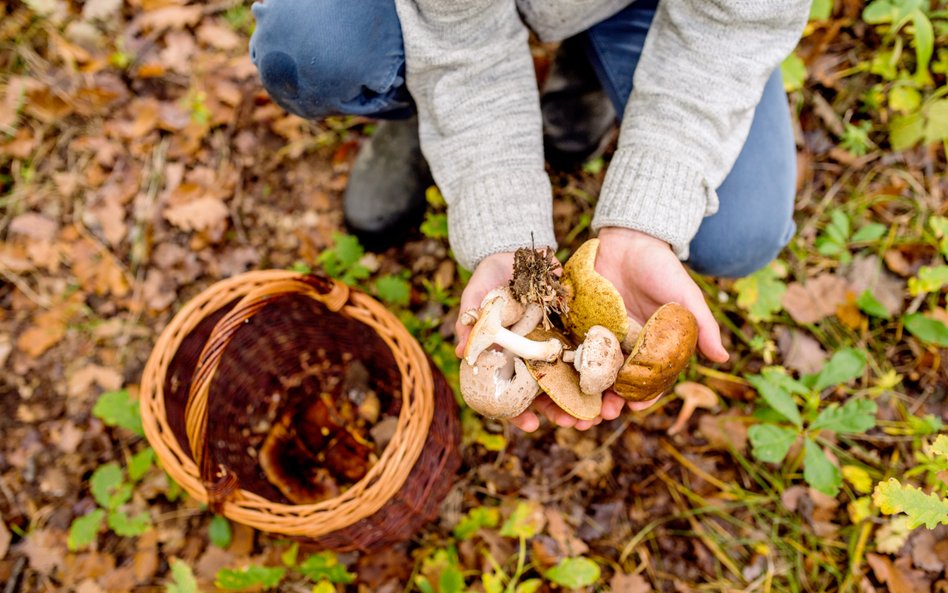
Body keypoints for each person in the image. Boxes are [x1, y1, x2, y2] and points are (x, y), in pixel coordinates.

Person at [250, 0, 809, 432]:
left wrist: (647, 219)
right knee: (313, 47)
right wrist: (504, 231)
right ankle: (417, 109)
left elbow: (740, 19)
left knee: (739, 232)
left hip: (666, 11)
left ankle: (587, 71)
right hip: (452, 18)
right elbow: (463, 44)